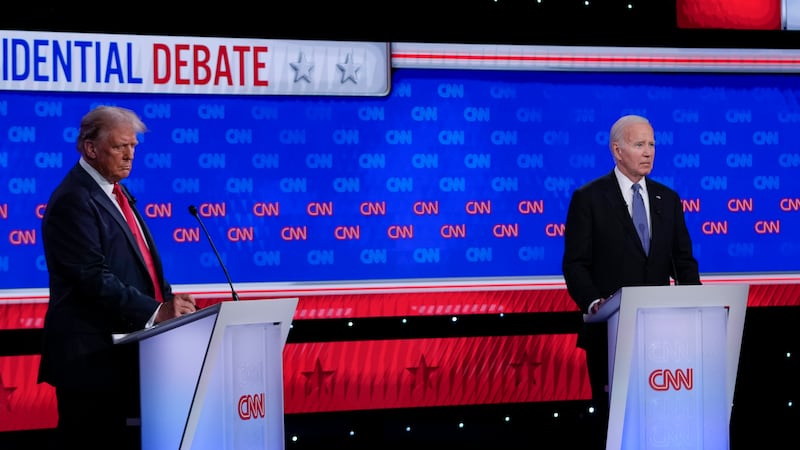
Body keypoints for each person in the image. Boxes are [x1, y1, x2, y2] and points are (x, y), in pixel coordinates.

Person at [38, 105, 198, 450]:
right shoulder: (74, 199)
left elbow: (142, 266)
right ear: (90, 148)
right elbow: (91, 278)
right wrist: (156, 312)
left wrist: (169, 303)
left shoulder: (117, 193)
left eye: (134, 147)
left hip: (126, 359)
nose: (129, 156)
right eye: (119, 147)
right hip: (91, 363)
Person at [561, 114, 701, 446]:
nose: (649, 152)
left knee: (660, 422)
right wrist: (596, 303)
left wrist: (693, 303)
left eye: (652, 144)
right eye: (639, 144)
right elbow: (575, 264)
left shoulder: (668, 199)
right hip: (611, 334)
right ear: (617, 150)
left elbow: (683, 261)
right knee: (616, 426)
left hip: (664, 337)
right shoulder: (589, 198)